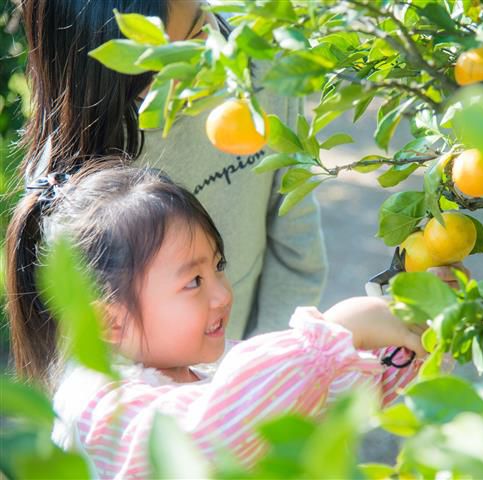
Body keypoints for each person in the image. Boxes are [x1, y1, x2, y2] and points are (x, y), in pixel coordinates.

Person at [6, 162, 427, 477]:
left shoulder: (197, 369)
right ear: (109, 322)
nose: (223, 294)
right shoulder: (99, 408)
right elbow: (207, 433)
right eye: (193, 281)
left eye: (218, 266)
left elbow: (316, 396)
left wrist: (406, 327)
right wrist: (331, 336)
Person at [19, 0, 327, 339]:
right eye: (167, 59)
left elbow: (296, 239)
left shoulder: (262, 63)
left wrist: (263, 364)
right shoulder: (82, 176)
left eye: (201, 24)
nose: (207, 56)